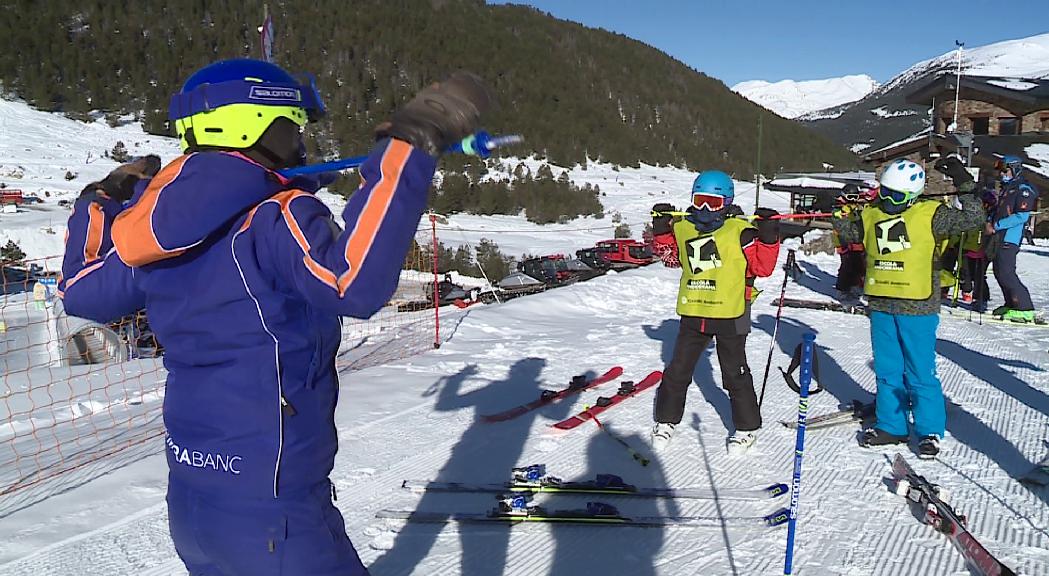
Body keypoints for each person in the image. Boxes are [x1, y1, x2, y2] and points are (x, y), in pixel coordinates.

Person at [58, 58, 493, 575]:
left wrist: (100, 200)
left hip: (197, 505)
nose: (301, 142)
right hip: (278, 515)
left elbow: (81, 291)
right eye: (292, 126)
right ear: (250, 124)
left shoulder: (148, 229)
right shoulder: (274, 216)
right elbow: (351, 281)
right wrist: (409, 147)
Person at [832, 156, 984, 458]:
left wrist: (964, 182)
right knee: (888, 370)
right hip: (880, 304)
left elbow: (973, 219)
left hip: (918, 306)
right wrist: (839, 211)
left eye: (897, 196)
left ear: (913, 195)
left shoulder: (933, 214)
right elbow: (850, 233)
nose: (888, 201)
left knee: (920, 372)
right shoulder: (872, 212)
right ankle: (893, 425)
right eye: (884, 192)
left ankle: (929, 430)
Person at [649, 171, 780, 455]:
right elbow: (671, 259)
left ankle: (746, 428)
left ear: (727, 201)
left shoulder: (741, 230)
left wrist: (768, 238)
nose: (706, 209)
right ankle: (666, 420)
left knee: (734, 373)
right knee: (677, 370)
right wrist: (661, 231)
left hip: (730, 313)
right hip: (695, 310)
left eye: (713, 202)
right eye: (700, 201)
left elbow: (762, 268)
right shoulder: (684, 227)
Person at [989, 155, 1038, 322]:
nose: (1002, 174)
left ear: (1015, 169)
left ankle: (1025, 307)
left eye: (1005, 170)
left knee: (1007, 273)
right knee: (999, 273)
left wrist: (996, 225)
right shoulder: (1007, 188)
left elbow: (1021, 216)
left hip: (1010, 238)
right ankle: (1011, 303)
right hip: (999, 237)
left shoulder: (1023, 189)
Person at [832, 185, 866, 300]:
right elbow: (841, 226)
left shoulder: (857, 208)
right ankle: (843, 289)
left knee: (860, 265)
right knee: (847, 266)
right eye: (850, 197)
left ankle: (856, 285)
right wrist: (844, 214)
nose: (852, 200)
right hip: (844, 242)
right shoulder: (838, 209)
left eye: (855, 197)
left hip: (858, 242)